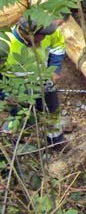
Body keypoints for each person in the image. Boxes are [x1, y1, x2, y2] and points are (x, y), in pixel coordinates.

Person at [0, 17, 66, 147]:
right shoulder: (5, 45)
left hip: (43, 82)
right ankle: (12, 143)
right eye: (42, 36)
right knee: (19, 116)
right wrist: (5, 95)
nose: (45, 38)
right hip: (15, 89)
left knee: (51, 110)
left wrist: (55, 69)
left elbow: (58, 45)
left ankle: (55, 141)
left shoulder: (48, 31)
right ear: (30, 34)